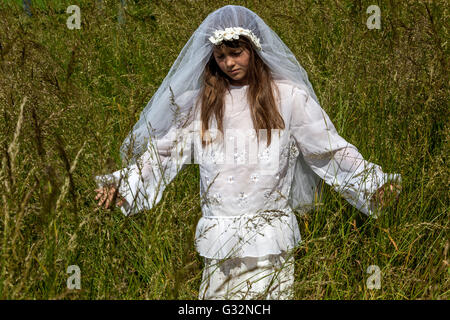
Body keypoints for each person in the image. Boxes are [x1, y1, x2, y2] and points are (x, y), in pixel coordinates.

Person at [94, 5, 401, 299]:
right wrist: (124, 185)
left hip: (269, 238)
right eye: (220, 56)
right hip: (220, 237)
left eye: (236, 53)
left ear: (254, 49)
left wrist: (371, 182)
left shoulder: (288, 97)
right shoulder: (201, 104)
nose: (229, 63)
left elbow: (328, 148)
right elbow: (163, 153)